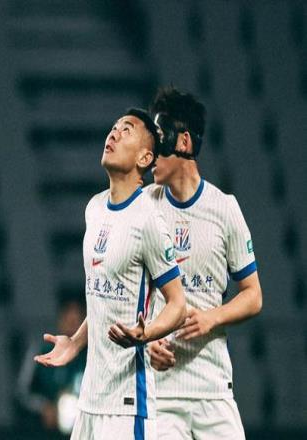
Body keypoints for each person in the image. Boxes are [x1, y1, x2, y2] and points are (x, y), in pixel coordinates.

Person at [35, 108, 186, 440]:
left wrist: (147, 333)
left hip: (127, 405)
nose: (114, 133)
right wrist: (75, 343)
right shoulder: (94, 208)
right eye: (114, 127)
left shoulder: (148, 219)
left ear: (145, 157)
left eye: (127, 129)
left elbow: (178, 304)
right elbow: (103, 300)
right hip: (89, 401)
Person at [143, 86, 263, 439]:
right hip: (162, 393)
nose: (150, 155)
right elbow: (129, 294)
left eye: (159, 141)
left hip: (213, 388)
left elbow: (253, 296)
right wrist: (147, 342)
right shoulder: (144, 208)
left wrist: (213, 316)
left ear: (183, 141)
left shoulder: (224, 209)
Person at [17, 298, 87, 433]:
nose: (72, 326)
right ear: (60, 320)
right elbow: (22, 393)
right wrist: (44, 407)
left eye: (76, 321)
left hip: (83, 427)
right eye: (68, 320)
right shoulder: (42, 350)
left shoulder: (92, 354)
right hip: (46, 429)